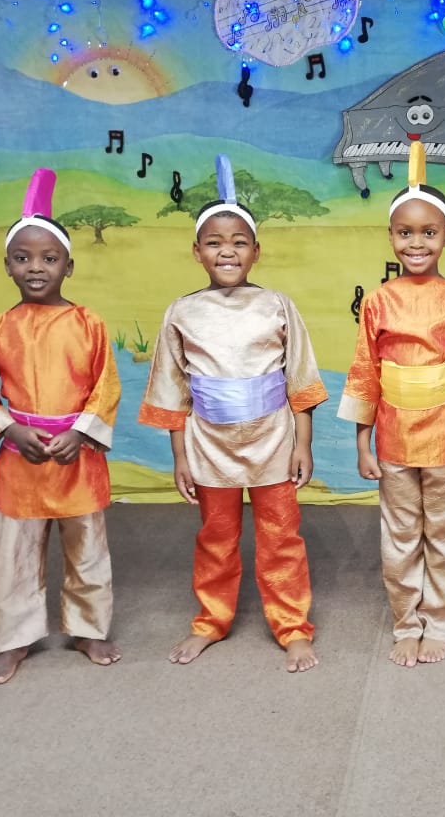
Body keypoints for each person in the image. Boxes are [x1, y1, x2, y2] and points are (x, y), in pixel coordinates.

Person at [138, 155, 327, 673]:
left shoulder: (277, 305)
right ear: (197, 251)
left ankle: (292, 627)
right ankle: (210, 621)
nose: (227, 251)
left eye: (240, 242)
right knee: (216, 538)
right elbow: (172, 391)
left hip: (273, 441)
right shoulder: (182, 312)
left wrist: (303, 444)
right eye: (215, 243)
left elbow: (300, 380)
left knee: (281, 537)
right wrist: (180, 457)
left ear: (256, 251)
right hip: (208, 447)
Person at [338, 139, 445, 668]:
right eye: (406, 233)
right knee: (401, 533)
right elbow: (365, 373)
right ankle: (407, 621)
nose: (417, 243)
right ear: (391, 236)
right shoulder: (379, 302)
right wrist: (362, 442)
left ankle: (441, 622)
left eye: (429, 232)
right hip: (394, 436)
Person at [0, 167, 122, 685]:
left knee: (87, 549)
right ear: (7, 265)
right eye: (23, 257)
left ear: (68, 266)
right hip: (22, 459)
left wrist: (80, 432)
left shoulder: (88, 323)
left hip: (77, 456)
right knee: (14, 552)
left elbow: (106, 386)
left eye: (49, 258)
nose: (36, 267)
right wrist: (11, 430)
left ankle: (88, 629)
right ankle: (14, 639)